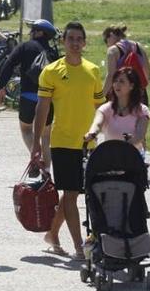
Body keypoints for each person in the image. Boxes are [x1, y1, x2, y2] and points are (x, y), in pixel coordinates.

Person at [31, 21, 104, 260]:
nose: (74, 43)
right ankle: (79, 246)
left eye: (78, 39)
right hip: (62, 142)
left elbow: (100, 108)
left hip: (88, 144)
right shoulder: (51, 71)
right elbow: (42, 109)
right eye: (70, 38)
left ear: (84, 43)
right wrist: (36, 146)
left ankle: (52, 234)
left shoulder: (93, 70)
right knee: (71, 194)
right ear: (63, 41)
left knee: (72, 195)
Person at [0, 19, 58, 156]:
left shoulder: (25, 47)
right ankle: (46, 170)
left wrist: (1, 87)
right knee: (46, 136)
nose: (31, 33)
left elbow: (9, 64)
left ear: (39, 33)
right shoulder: (53, 53)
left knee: (26, 129)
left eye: (33, 30)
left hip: (27, 97)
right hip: (47, 100)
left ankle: (36, 155)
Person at [85, 67, 150, 152]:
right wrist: (92, 133)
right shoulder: (106, 108)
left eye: (121, 81)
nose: (117, 84)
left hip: (133, 159)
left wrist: (129, 142)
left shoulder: (142, 110)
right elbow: (97, 124)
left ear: (131, 86)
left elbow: (140, 135)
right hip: (110, 158)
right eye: (115, 81)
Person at [102, 25, 150, 103]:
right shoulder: (138, 46)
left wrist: (101, 96)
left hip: (120, 94)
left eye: (105, 41)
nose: (107, 45)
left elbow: (111, 76)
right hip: (139, 93)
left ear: (110, 36)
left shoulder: (112, 50)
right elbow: (147, 73)